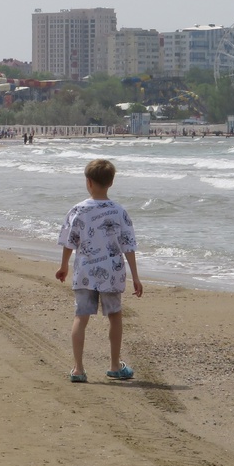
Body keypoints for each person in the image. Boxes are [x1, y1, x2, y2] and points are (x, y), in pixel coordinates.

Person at [55, 158, 141, 383]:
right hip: (112, 271)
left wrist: (64, 265)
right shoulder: (119, 211)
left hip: (85, 271)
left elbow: (69, 241)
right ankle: (114, 365)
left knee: (81, 317)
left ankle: (78, 369)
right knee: (114, 315)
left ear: (88, 183)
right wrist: (136, 276)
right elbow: (128, 245)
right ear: (111, 183)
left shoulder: (78, 210)